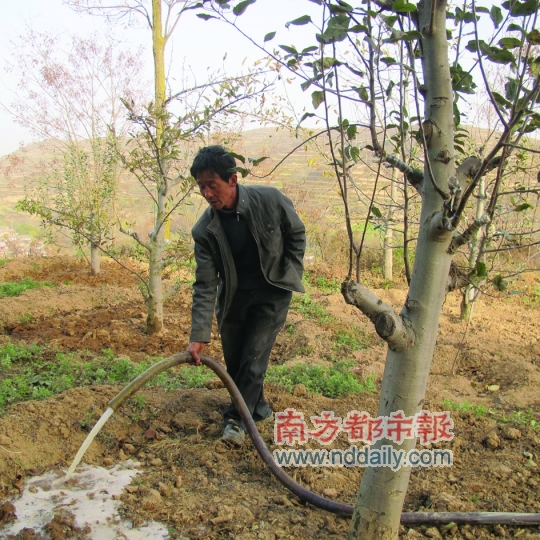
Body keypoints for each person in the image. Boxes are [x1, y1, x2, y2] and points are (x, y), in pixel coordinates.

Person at [186, 145, 306, 446]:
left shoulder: (270, 200)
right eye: (201, 187)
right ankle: (259, 408)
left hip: (272, 293)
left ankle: (236, 422)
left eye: (212, 185)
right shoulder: (205, 230)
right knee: (237, 362)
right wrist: (199, 333)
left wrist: (290, 270)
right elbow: (204, 284)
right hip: (235, 299)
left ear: (232, 180)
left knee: (253, 361)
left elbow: (296, 233)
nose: (207, 193)